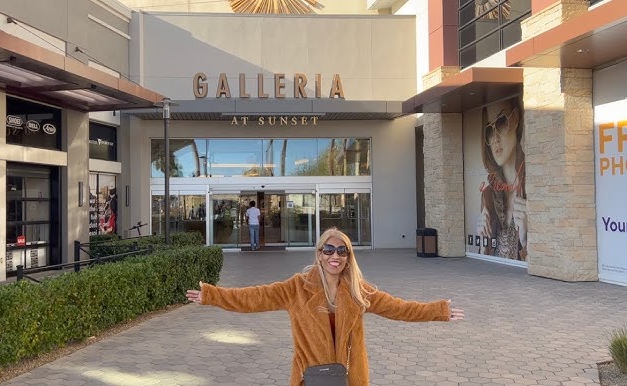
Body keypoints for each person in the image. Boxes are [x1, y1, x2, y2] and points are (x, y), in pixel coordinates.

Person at [185, 228, 465, 386]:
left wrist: (437, 310)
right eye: (329, 250)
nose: (335, 256)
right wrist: (213, 295)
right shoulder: (296, 288)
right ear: (319, 254)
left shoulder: (359, 291)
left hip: (350, 378)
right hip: (311, 379)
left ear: (348, 257)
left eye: (342, 251)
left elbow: (400, 308)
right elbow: (254, 298)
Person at [477, 97, 527, 260]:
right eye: (489, 131)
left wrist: (526, 240)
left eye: (501, 122)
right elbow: (486, 255)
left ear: (517, 118)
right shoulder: (488, 195)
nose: (495, 138)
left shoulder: (533, 184)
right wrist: (483, 244)